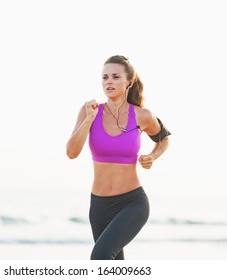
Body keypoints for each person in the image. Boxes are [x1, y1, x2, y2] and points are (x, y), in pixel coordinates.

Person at [66, 55, 171, 260]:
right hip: (99, 206)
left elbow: (164, 138)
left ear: (129, 82)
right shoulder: (90, 111)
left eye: (115, 77)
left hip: (132, 203)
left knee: (101, 256)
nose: (109, 82)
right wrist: (88, 119)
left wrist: (153, 156)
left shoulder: (142, 115)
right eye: (105, 77)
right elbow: (71, 152)